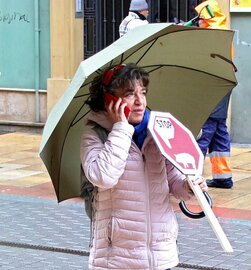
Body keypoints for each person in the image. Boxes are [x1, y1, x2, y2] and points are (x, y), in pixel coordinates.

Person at [81, 63, 207, 269]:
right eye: (130, 94)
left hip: (160, 255)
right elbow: (103, 177)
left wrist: (188, 186)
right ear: (110, 100)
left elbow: (173, 181)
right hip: (117, 259)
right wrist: (121, 128)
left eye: (143, 92)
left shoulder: (158, 131)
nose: (140, 101)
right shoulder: (96, 134)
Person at [194, 0, 234, 189]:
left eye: (199, 19)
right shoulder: (220, 32)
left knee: (204, 132)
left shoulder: (211, 36)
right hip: (222, 87)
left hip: (211, 89)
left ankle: (193, 177)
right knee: (219, 132)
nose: (198, 22)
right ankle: (222, 177)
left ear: (206, 19)